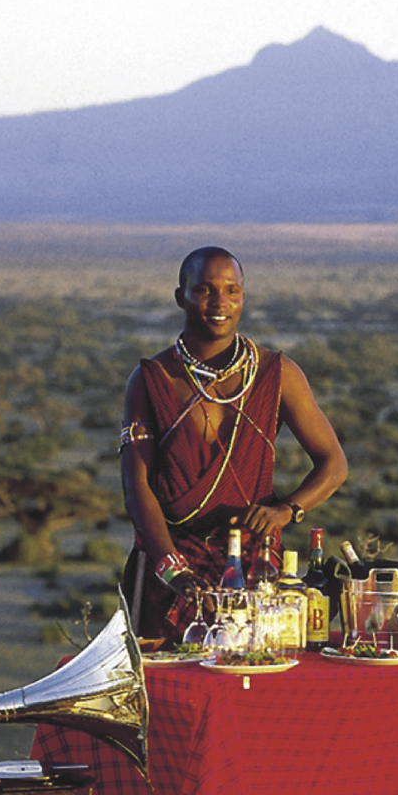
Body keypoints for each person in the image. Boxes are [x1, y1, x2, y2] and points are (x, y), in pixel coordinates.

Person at [119, 246, 348, 642]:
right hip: (168, 566)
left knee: (256, 670)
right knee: (163, 677)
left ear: (244, 297)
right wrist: (174, 570)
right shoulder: (151, 380)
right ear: (181, 297)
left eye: (232, 290)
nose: (219, 302)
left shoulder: (277, 374)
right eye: (204, 290)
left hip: (252, 566)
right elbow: (136, 488)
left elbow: (334, 464)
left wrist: (285, 511)